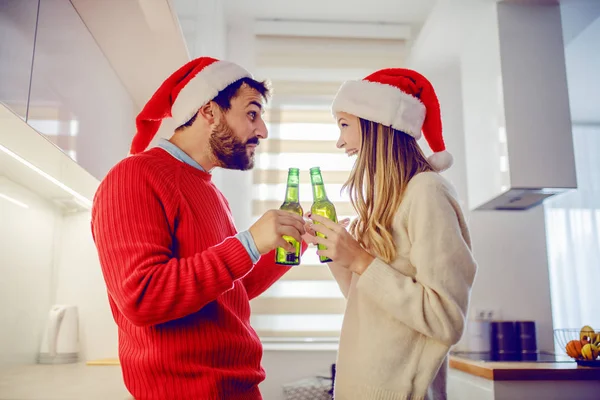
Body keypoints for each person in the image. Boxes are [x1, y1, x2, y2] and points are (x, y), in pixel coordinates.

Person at [91, 57, 307, 400]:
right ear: (209, 111)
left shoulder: (209, 190)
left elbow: (225, 291)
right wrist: (249, 243)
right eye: (252, 113)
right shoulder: (133, 177)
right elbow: (142, 297)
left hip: (238, 389)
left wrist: (291, 240)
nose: (263, 130)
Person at [305, 68, 478, 400]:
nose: (339, 141)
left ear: (376, 126)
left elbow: (446, 319)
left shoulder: (428, 192)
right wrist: (336, 254)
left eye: (344, 125)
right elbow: (370, 304)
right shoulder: (386, 204)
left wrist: (361, 259)